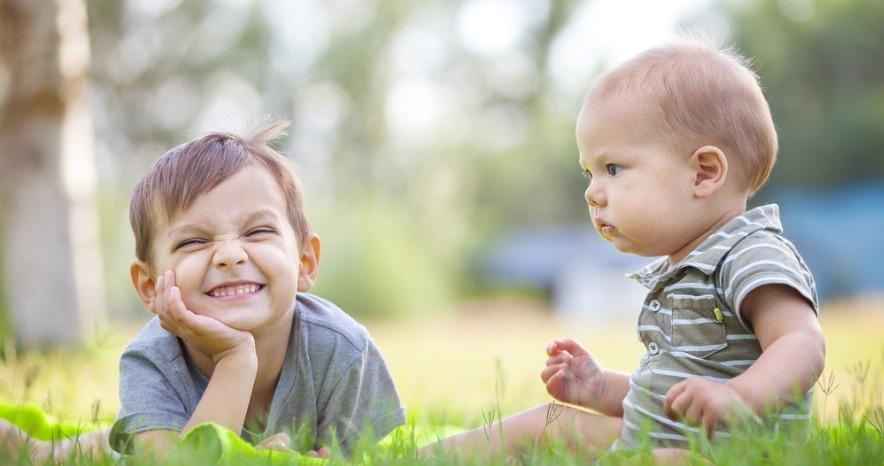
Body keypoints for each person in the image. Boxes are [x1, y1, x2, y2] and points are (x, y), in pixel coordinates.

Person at [426, 41, 825, 462]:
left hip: (724, 454)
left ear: (704, 173)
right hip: (650, 445)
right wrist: (601, 388)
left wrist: (739, 397)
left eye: (613, 169)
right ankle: (410, 458)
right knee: (548, 422)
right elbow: (664, 399)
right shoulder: (682, 270)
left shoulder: (751, 254)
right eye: (589, 172)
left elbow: (802, 343)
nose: (593, 193)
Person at [107, 121, 406, 457]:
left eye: (258, 232)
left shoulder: (341, 349)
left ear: (305, 261)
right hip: (164, 433)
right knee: (115, 449)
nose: (231, 255)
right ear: (149, 286)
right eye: (193, 241)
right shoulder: (153, 360)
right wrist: (234, 359)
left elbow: (358, 459)